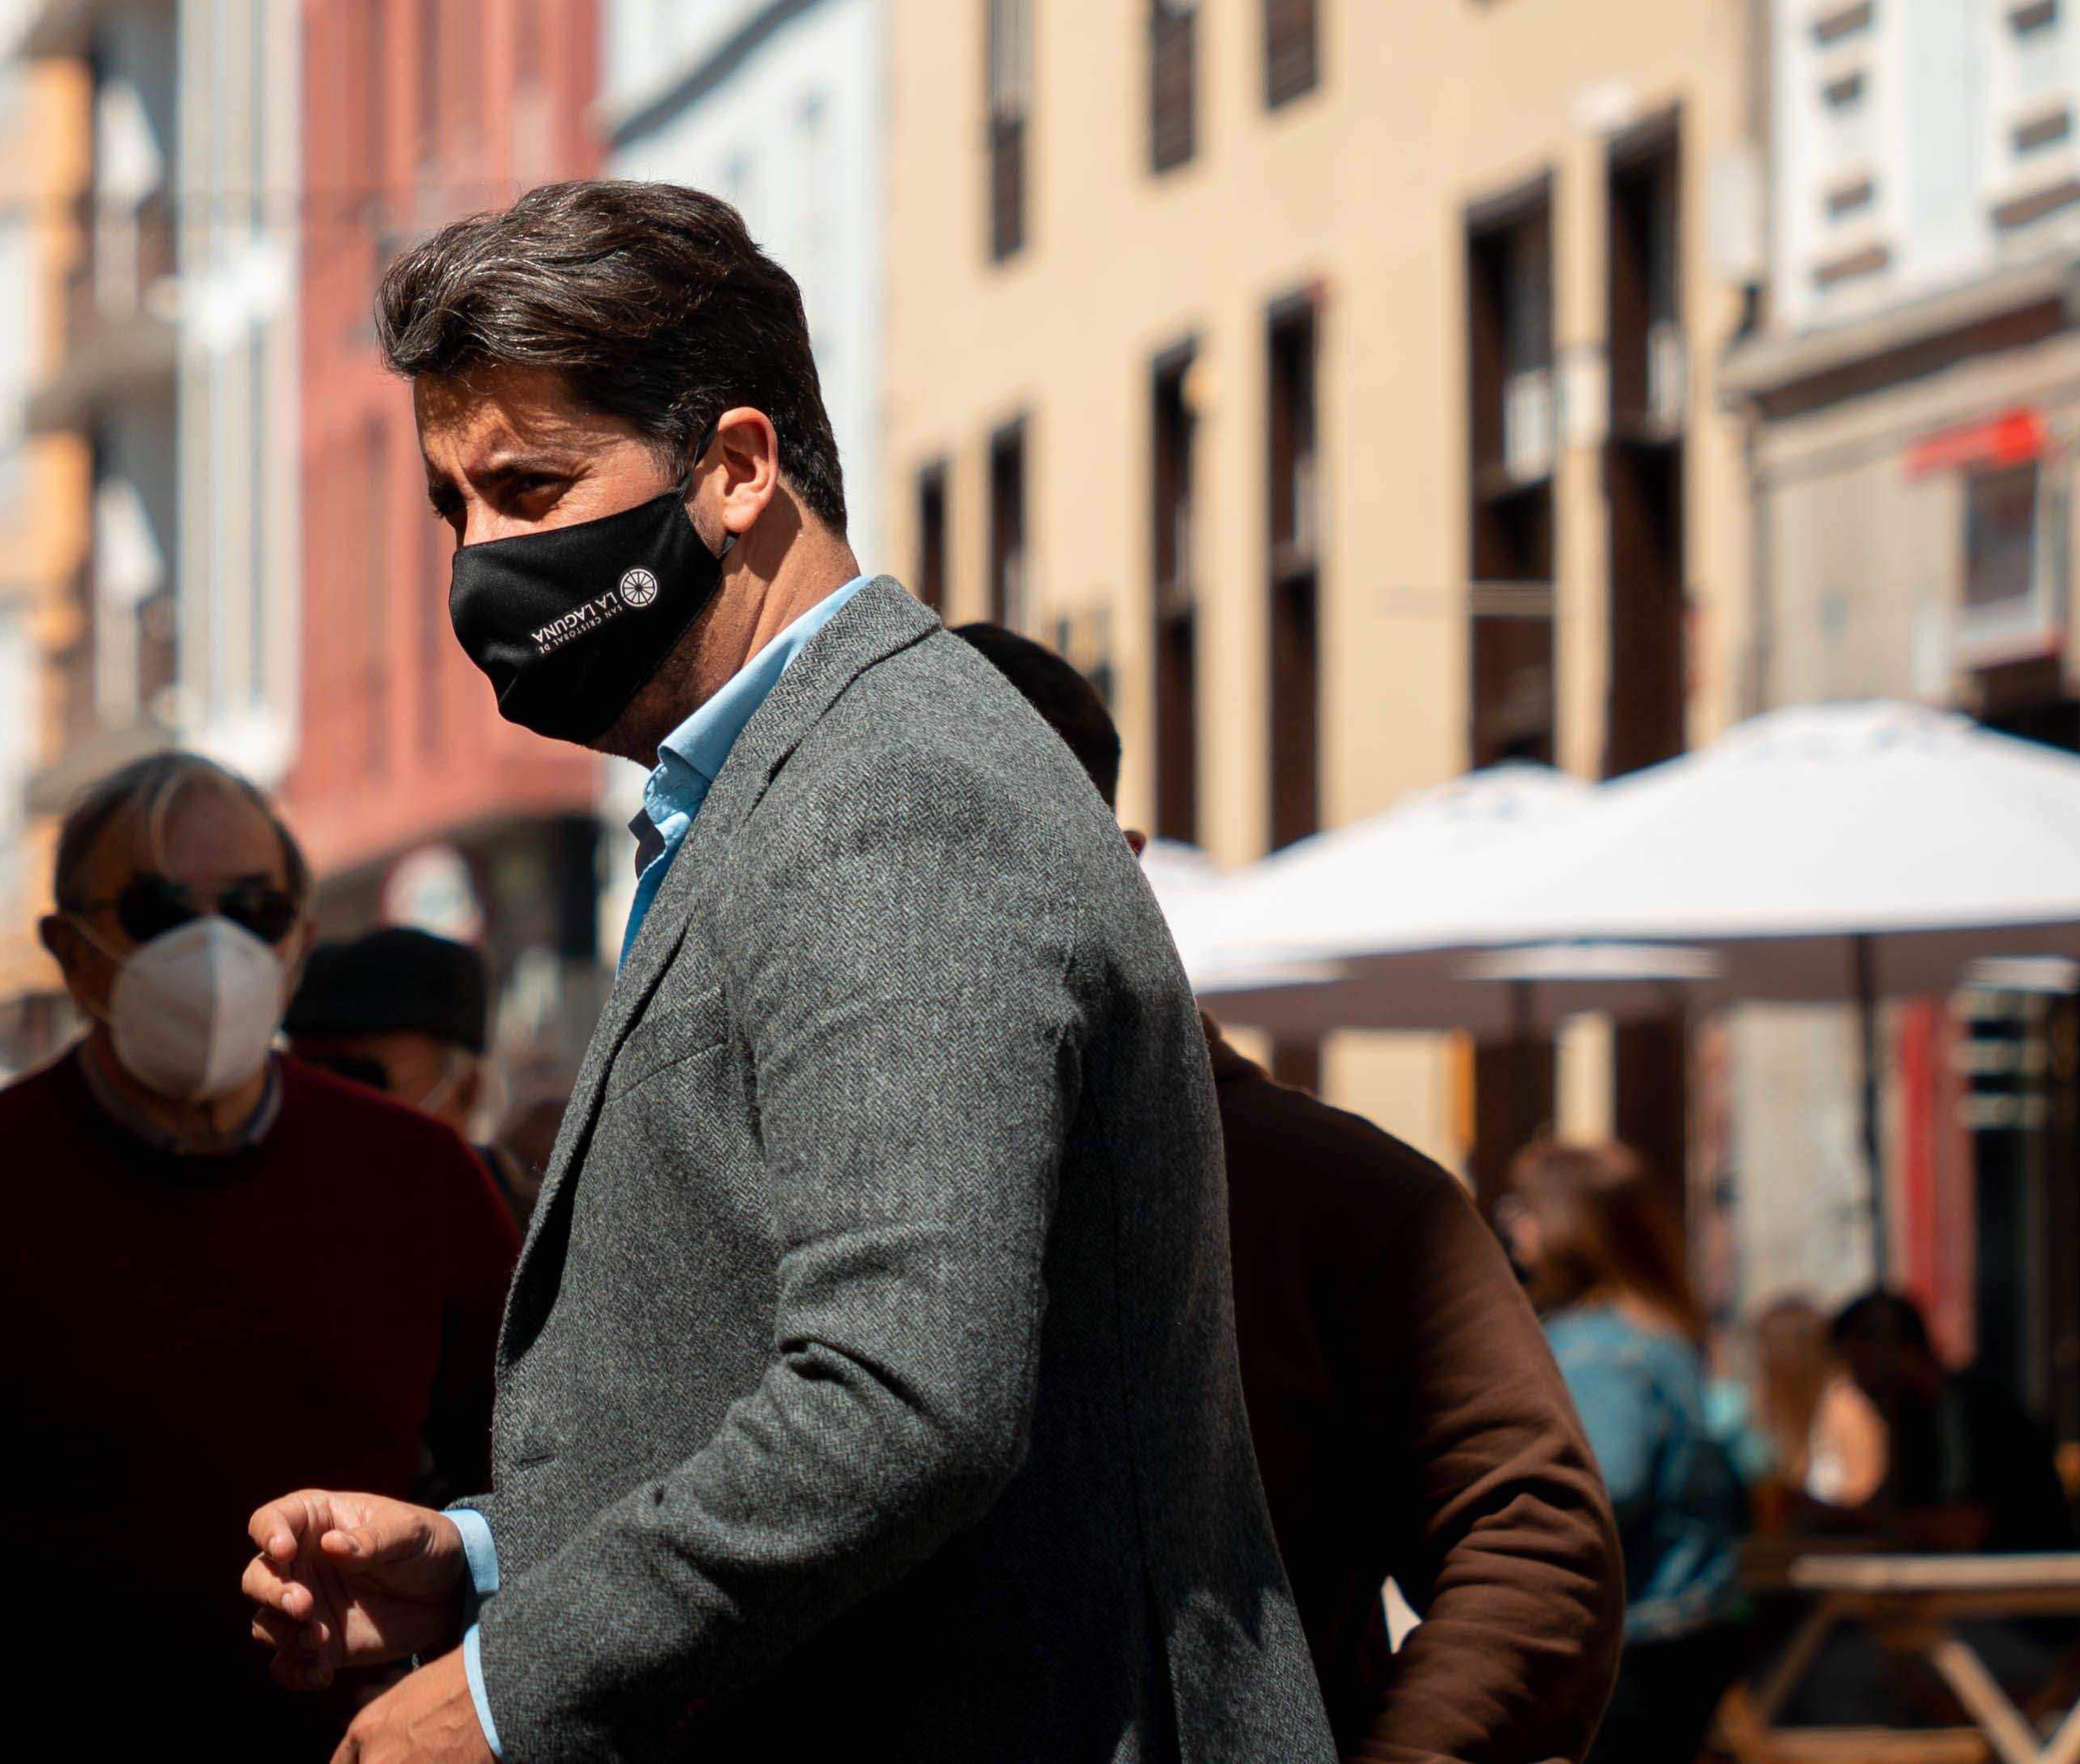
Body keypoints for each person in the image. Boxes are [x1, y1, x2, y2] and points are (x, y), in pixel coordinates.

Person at [245, 181, 1334, 1763]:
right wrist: (482, 1558)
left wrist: (507, 1685)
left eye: (529, 486)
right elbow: (742, 1370)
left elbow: (900, 1396)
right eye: (451, 507)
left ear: (738, 469)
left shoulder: (890, 792)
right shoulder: (773, 785)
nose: (480, 558)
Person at [0, 753, 520, 1761]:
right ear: (71, 952)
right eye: (159, 909)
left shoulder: (420, 1180)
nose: (215, 945)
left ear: (298, 943)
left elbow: (540, 1483)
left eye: (253, 909)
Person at [962, 621, 1625, 1764]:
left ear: (1116, 866)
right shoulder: (764, 1167)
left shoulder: (1336, 1194)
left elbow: (1531, 1540)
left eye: (980, 857)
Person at [1496, 1142, 1753, 1764]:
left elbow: (1597, 1493)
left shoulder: (1597, 1347)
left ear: (1568, 1222)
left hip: (1632, 1635)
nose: (1511, 1221)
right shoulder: (1658, 1329)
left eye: (1525, 1206)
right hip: (1686, 1619)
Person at [287, 925, 535, 1218]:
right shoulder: (269, 1218)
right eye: (298, 1074)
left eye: (357, 1075)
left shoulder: (525, 1236)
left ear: (468, 1089)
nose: (323, 1098)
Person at [1831, 1287, 2078, 1552]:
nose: (1863, 1390)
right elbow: (1897, 1507)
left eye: (1864, 1373)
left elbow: (1962, 1530)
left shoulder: (1969, 1410)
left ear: (1900, 1354)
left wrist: (1851, 1519)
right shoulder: (1913, 1421)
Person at [1743, 1292, 1888, 1526]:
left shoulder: (1846, 1410)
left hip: (1842, 1545)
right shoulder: (1797, 1411)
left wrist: (1808, 1508)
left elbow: (1867, 1505)